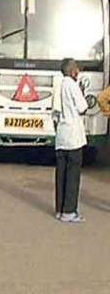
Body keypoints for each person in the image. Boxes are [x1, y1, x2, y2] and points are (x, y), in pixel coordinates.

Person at [53, 58, 89, 223]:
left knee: (61, 174)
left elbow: (54, 112)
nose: (78, 71)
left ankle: (60, 209)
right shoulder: (73, 86)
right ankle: (70, 211)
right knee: (73, 174)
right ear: (72, 70)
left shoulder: (58, 85)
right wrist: (81, 92)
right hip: (73, 135)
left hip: (61, 135)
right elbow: (83, 108)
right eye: (76, 68)